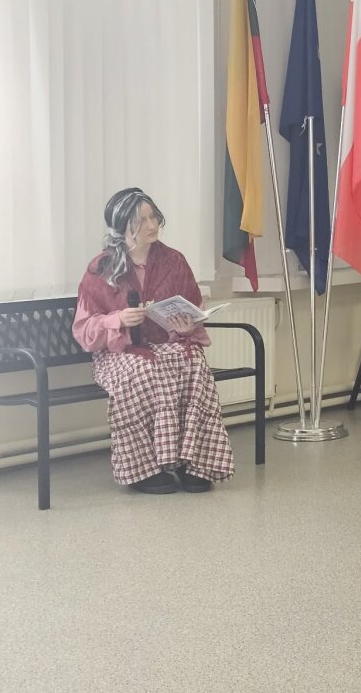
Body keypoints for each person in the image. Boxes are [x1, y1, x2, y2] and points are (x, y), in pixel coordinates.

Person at [73, 188, 234, 494]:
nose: (152, 225)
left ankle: (193, 463)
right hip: (119, 352)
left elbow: (194, 308)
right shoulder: (101, 268)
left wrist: (187, 326)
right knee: (142, 372)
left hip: (167, 344)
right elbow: (84, 329)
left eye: (154, 217)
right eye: (142, 220)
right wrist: (118, 319)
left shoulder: (174, 261)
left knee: (193, 365)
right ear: (123, 226)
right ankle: (144, 469)